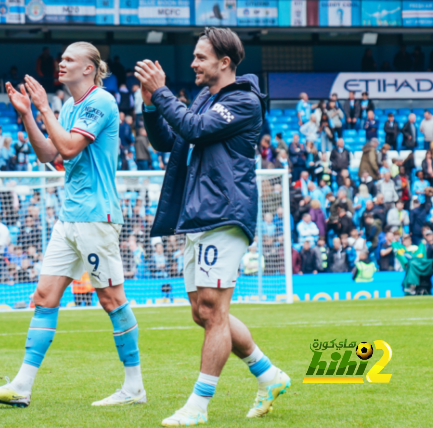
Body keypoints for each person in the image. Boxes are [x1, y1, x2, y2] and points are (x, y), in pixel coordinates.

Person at [0, 41, 145, 408]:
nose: (61, 63)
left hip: (97, 217)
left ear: (89, 68)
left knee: (111, 299)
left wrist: (42, 107)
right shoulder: (68, 106)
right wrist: (27, 116)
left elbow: (69, 148)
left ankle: (134, 388)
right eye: (61, 58)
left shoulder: (101, 101)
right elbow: (49, 154)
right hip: (70, 217)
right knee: (44, 297)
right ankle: (21, 385)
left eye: (70, 59)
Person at [138, 27, 289, 424]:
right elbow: (170, 142)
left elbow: (196, 129)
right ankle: (269, 375)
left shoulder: (243, 100)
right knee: (203, 312)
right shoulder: (206, 98)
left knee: (212, 309)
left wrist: (164, 94)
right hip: (200, 213)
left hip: (226, 212)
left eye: (200, 57)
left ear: (224, 63)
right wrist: (151, 105)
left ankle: (198, 406)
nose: (193, 63)